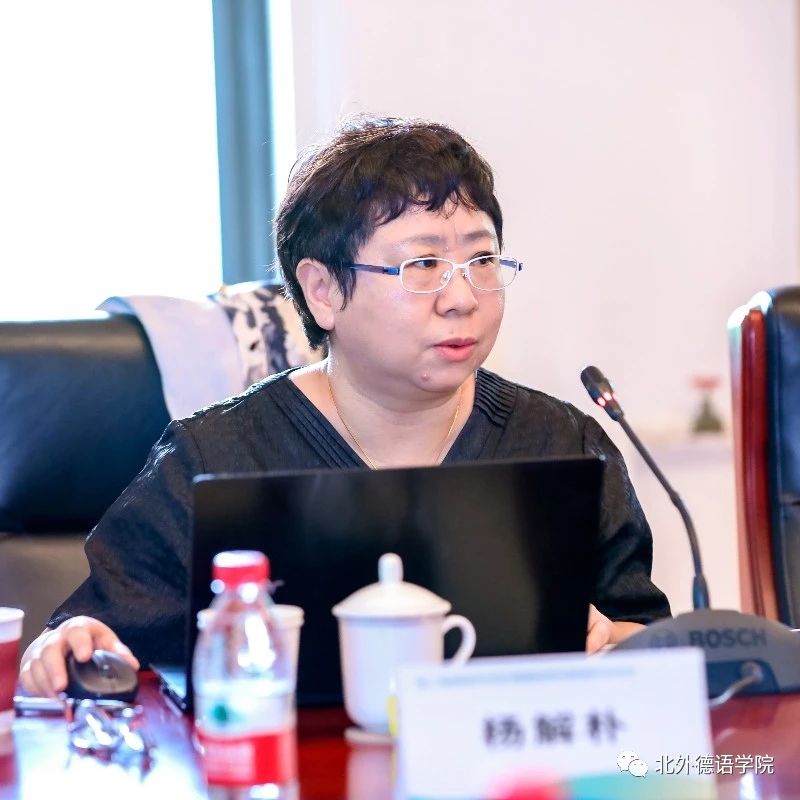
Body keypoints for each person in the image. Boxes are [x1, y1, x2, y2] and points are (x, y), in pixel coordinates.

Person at [19, 115, 670, 697]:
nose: (463, 297)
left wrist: (614, 638)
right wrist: (70, 644)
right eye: (423, 265)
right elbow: (95, 643)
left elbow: (647, 636)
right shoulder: (213, 457)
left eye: (482, 260)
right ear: (323, 290)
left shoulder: (562, 442)